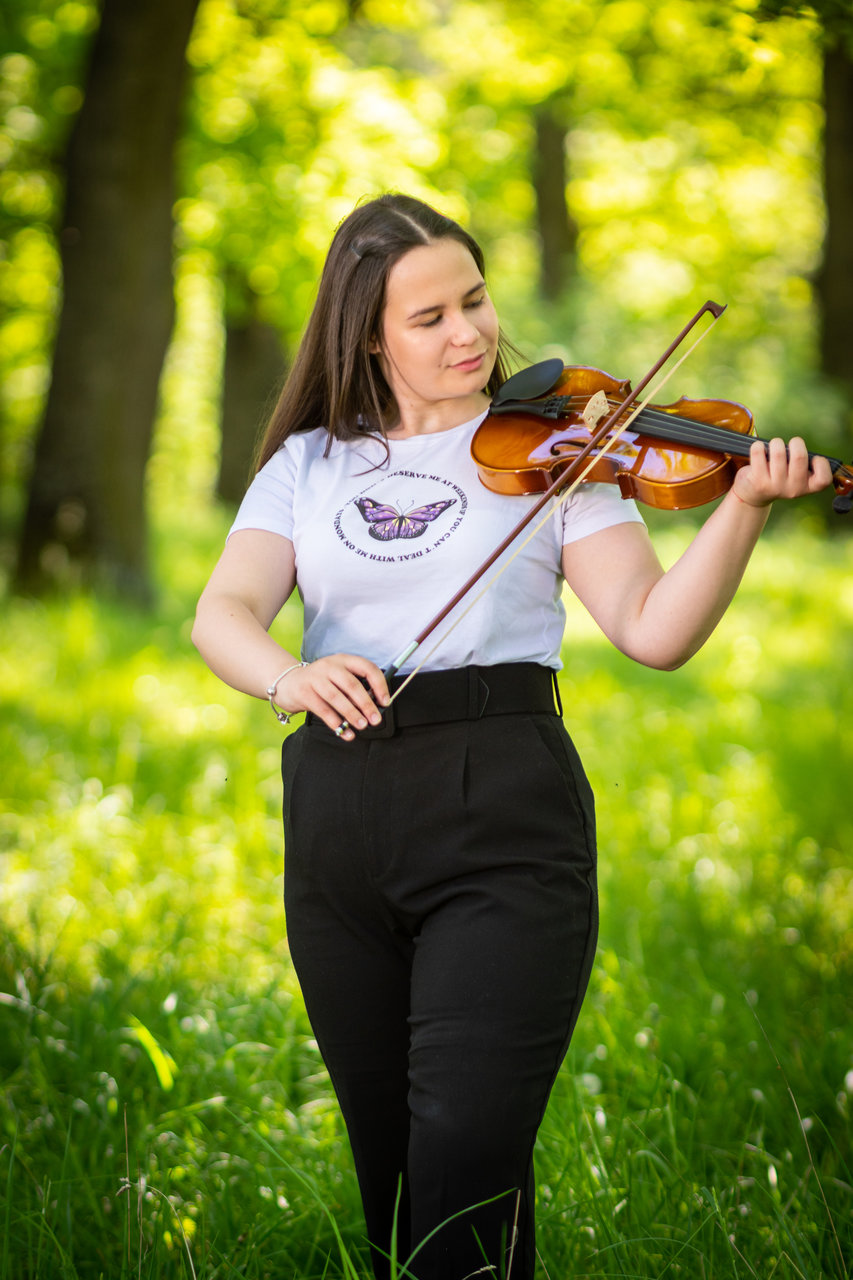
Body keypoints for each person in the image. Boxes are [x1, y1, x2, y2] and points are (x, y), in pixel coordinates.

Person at [192, 193, 832, 1280]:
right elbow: (222, 613)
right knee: (396, 1177)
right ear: (367, 338)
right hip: (339, 816)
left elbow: (653, 629)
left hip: (503, 811)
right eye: (429, 316)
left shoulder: (566, 451)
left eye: (475, 300)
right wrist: (290, 676)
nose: (470, 332)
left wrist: (741, 508)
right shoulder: (308, 463)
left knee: (465, 1156)